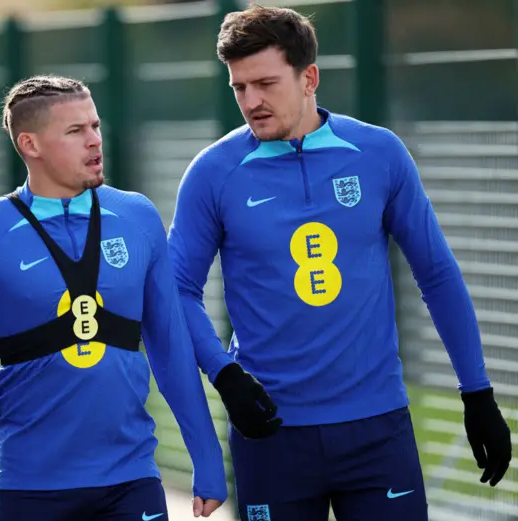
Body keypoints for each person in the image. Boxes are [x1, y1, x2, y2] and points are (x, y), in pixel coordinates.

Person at [167, 5, 512, 521]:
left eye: (265, 83)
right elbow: (176, 290)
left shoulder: (378, 154)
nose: (251, 102)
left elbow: (436, 274)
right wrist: (225, 375)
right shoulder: (213, 173)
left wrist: (477, 392)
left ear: (309, 78)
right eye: (240, 87)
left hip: (377, 430)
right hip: (271, 433)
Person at [0, 74, 227, 521]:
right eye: (75, 131)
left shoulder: (137, 216)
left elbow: (170, 348)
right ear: (30, 144)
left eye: (96, 126)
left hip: (133, 480)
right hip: (33, 487)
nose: (94, 141)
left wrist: (207, 455)